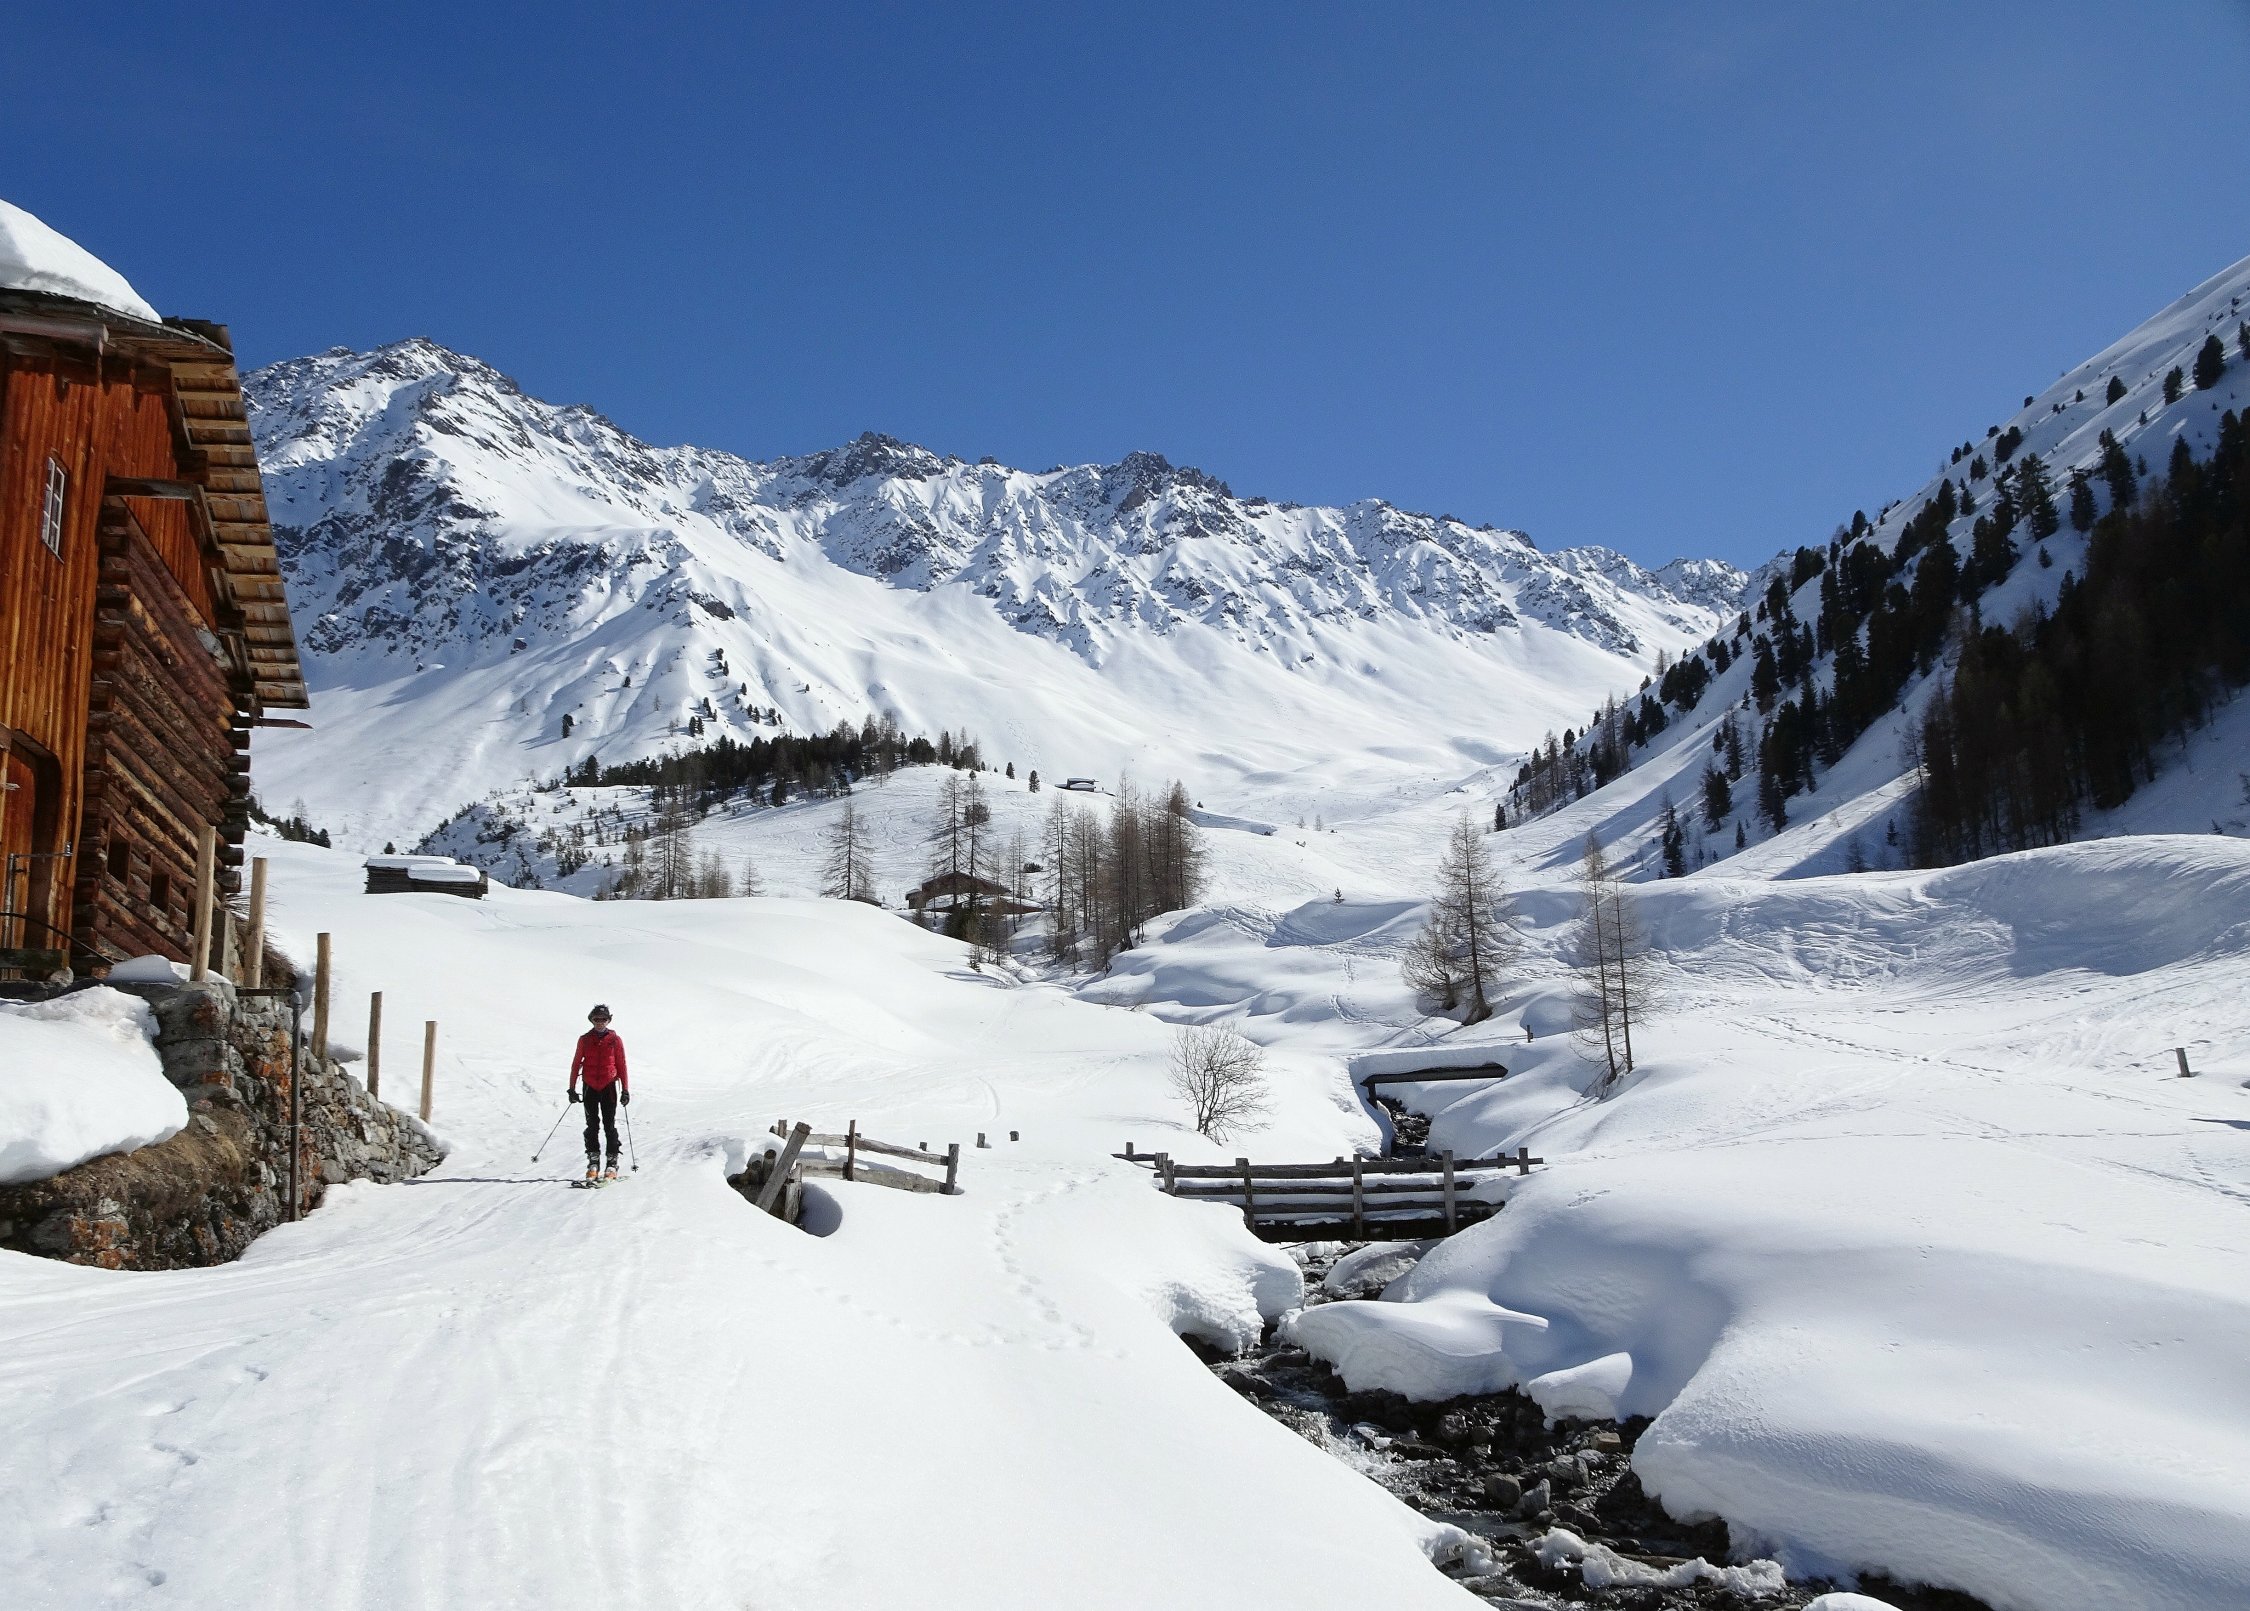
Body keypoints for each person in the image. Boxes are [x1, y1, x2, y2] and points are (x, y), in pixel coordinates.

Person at [567, 1004, 630, 1181]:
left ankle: (612, 1163)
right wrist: (572, 1088)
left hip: (608, 1085)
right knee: (592, 1125)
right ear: (591, 1020)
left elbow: (621, 1064)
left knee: (609, 1125)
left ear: (609, 1020)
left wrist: (625, 1089)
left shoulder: (615, 1040)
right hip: (590, 1086)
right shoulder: (584, 1040)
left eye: (604, 1019)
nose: (600, 1022)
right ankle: (593, 1163)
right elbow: (576, 1063)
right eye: (597, 1019)